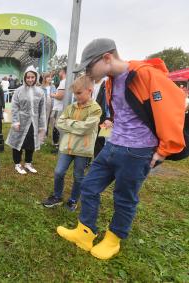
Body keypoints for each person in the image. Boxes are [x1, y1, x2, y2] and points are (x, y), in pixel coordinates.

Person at [55, 38, 186, 260]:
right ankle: (85, 233)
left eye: (89, 66)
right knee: (89, 186)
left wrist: (164, 150)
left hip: (137, 152)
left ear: (107, 58)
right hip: (112, 145)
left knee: (124, 198)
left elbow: (172, 109)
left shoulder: (146, 75)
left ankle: (113, 240)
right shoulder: (110, 81)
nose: (87, 72)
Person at [42, 75, 101, 211]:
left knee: (78, 176)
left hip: (82, 149)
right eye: (75, 93)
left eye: (79, 93)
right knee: (58, 172)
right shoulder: (71, 107)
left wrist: (70, 124)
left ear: (89, 90)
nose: (76, 96)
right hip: (67, 147)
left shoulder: (95, 109)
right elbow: (59, 123)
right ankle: (57, 196)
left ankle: (73, 200)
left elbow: (86, 128)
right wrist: (77, 125)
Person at [5, 66, 46, 175]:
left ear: (36, 77)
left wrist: (42, 125)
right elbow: (14, 107)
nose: (30, 79)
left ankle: (28, 163)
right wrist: (15, 121)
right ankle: (17, 164)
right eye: (28, 77)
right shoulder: (18, 91)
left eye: (32, 77)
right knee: (18, 142)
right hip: (21, 121)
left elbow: (42, 110)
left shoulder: (40, 92)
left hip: (34, 122)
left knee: (30, 143)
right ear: (24, 78)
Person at [50, 67, 67, 153]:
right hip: (61, 108)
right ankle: (58, 145)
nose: (59, 73)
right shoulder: (66, 81)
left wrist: (52, 95)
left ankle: (58, 146)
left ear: (63, 72)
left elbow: (60, 96)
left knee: (57, 127)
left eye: (60, 71)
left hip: (59, 108)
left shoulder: (63, 82)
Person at [41, 73, 57, 138]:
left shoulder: (53, 87)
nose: (50, 78)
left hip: (53, 104)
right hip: (45, 104)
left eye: (51, 77)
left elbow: (55, 95)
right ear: (45, 78)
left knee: (53, 121)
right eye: (48, 77)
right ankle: (44, 135)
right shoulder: (41, 87)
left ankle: (55, 137)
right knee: (45, 120)